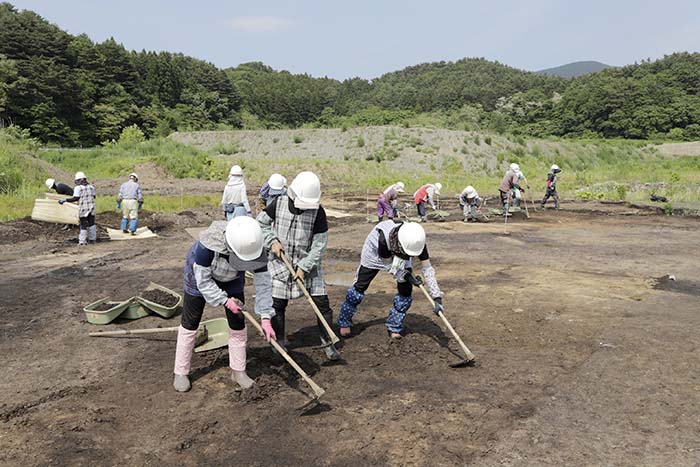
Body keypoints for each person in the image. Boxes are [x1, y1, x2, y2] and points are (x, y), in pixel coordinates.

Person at [174, 216, 276, 392]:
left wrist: (266, 317)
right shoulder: (206, 247)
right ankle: (181, 371)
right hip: (200, 277)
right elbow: (204, 282)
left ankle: (238, 371)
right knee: (191, 322)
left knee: (237, 323)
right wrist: (225, 301)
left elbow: (263, 283)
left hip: (232, 278)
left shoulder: (254, 247)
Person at [257, 171, 340, 361]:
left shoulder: (318, 212)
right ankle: (278, 342)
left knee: (322, 304)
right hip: (280, 263)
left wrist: (304, 267)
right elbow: (261, 225)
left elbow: (319, 245)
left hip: (309, 264)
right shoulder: (278, 204)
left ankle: (327, 342)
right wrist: (272, 241)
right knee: (277, 305)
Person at [337, 221, 444, 339]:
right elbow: (391, 268)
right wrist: (407, 276)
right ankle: (344, 321)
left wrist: (437, 297)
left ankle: (395, 325)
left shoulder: (416, 242)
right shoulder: (383, 239)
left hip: (402, 254)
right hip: (375, 254)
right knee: (360, 285)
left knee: (405, 290)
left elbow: (428, 269)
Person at [58, 172, 96, 245]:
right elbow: (94, 197)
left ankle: (82, 241)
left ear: (78, 180)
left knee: (83, 224)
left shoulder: (78, 188)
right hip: (91, 207)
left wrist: (65, 200)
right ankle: (92, 239)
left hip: (83, 209)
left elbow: (76, 198)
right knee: (91, 223)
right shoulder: (91, 187)